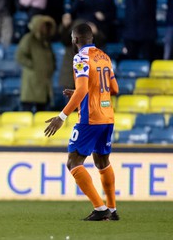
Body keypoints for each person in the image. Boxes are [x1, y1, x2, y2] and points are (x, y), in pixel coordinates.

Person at [44, 23, 119, 221]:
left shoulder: (80, 57)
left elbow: (84, 89)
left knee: (73, 161)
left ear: (75, 40)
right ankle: (112, 209)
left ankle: (100, 208)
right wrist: (80, 93)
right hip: (107, 116)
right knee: (102, 161)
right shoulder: (104, 57)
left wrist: (62, 116)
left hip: (90, 118)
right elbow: (114, 88)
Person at [15, 15, 56, 113]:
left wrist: (51, 67)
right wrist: (34, 66)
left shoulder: (46, 42)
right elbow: (20, 56)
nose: (46, 29)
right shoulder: (28, 39)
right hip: (32, 82)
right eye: (44, 26)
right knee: (27, 111)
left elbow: (51, 58)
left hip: (44, 82)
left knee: (43, 113)